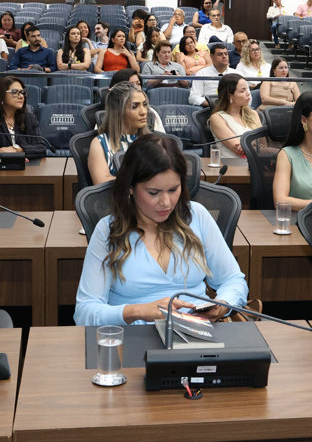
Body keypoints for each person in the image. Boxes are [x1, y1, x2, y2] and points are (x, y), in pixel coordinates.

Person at [74, 133, 248, 326]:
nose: (166, 202)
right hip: (134, 337)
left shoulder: (196, 215)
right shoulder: (108, 230)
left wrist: (223, 304)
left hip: (197, 331)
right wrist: (138, 311)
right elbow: (84, 312)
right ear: (130, 187)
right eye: (154, 193)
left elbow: (233, 280)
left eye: (173, 190)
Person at [88, 82, 155, 184]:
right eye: (134, 106)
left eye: (144, 104)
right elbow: (101, 183)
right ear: (118, 111)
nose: (143, 112)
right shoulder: (100, 144)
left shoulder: (153, 141)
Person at [0, 75, 47, 159]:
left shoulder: (28, 118)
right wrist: (4, 156)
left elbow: (42, 148)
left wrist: (18, 150)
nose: (21, 96)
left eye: (22, 92)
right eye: (15, 92)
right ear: (2, 95)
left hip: (26, 165)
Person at [208, 74, 261, 158]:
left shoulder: (253, 114)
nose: (248, 93)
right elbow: (239, 149)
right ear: (230, 96)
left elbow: (263, 144)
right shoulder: (217, 118)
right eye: (242, 91)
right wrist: (256, 144)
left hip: (256, 163)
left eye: (247, 89)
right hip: (231, 164)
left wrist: (247, 144)